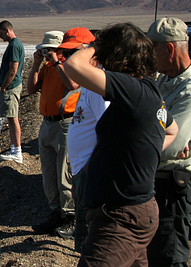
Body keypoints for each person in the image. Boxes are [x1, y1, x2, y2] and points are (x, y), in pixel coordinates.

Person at [64, 22, 178, 266]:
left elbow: (73, 65)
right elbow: (172, 130)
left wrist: (96, 45)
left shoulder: (133, 90)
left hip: (120, 217)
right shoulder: (147, 92)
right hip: (129, 211)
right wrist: (137, 154)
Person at [147, 17, 191, 266]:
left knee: (169, 258)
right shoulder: (164, 81)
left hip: (173, 191)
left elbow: (171, 144)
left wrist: (136, 148)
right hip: (155, 184)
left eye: (152, 50)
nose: (149, 58)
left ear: (169, 49)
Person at [28, 28, 94, 235]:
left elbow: (72, 85)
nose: (48, 53)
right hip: (47, 123)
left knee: (65, 172)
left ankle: (70, 216)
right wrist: (36, 64)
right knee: (49, 174)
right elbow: (31, 89)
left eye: (51, 49)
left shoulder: (69, 66)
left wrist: (57, 62)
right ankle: (55, 212)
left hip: (65, 123)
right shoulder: (47, 67)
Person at [65, 54, 110, 250]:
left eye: (72, 54)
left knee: (89, 234)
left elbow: (108, 129)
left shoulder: (97, 88)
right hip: (82, 169)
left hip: (89, 169)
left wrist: (89, 168)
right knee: (83, 225)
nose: (67, 60)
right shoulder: (88, 86)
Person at [0, 20, 25, 163]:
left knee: (13, 118)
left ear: (7, 30)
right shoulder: (14, 45)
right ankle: (14, 148)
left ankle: (17, 151)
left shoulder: (14, 46)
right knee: (11, 117)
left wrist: (4, 86)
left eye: (1, 33)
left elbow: (13, 69)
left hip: (11, 87)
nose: (0, 36)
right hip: (11, 86)